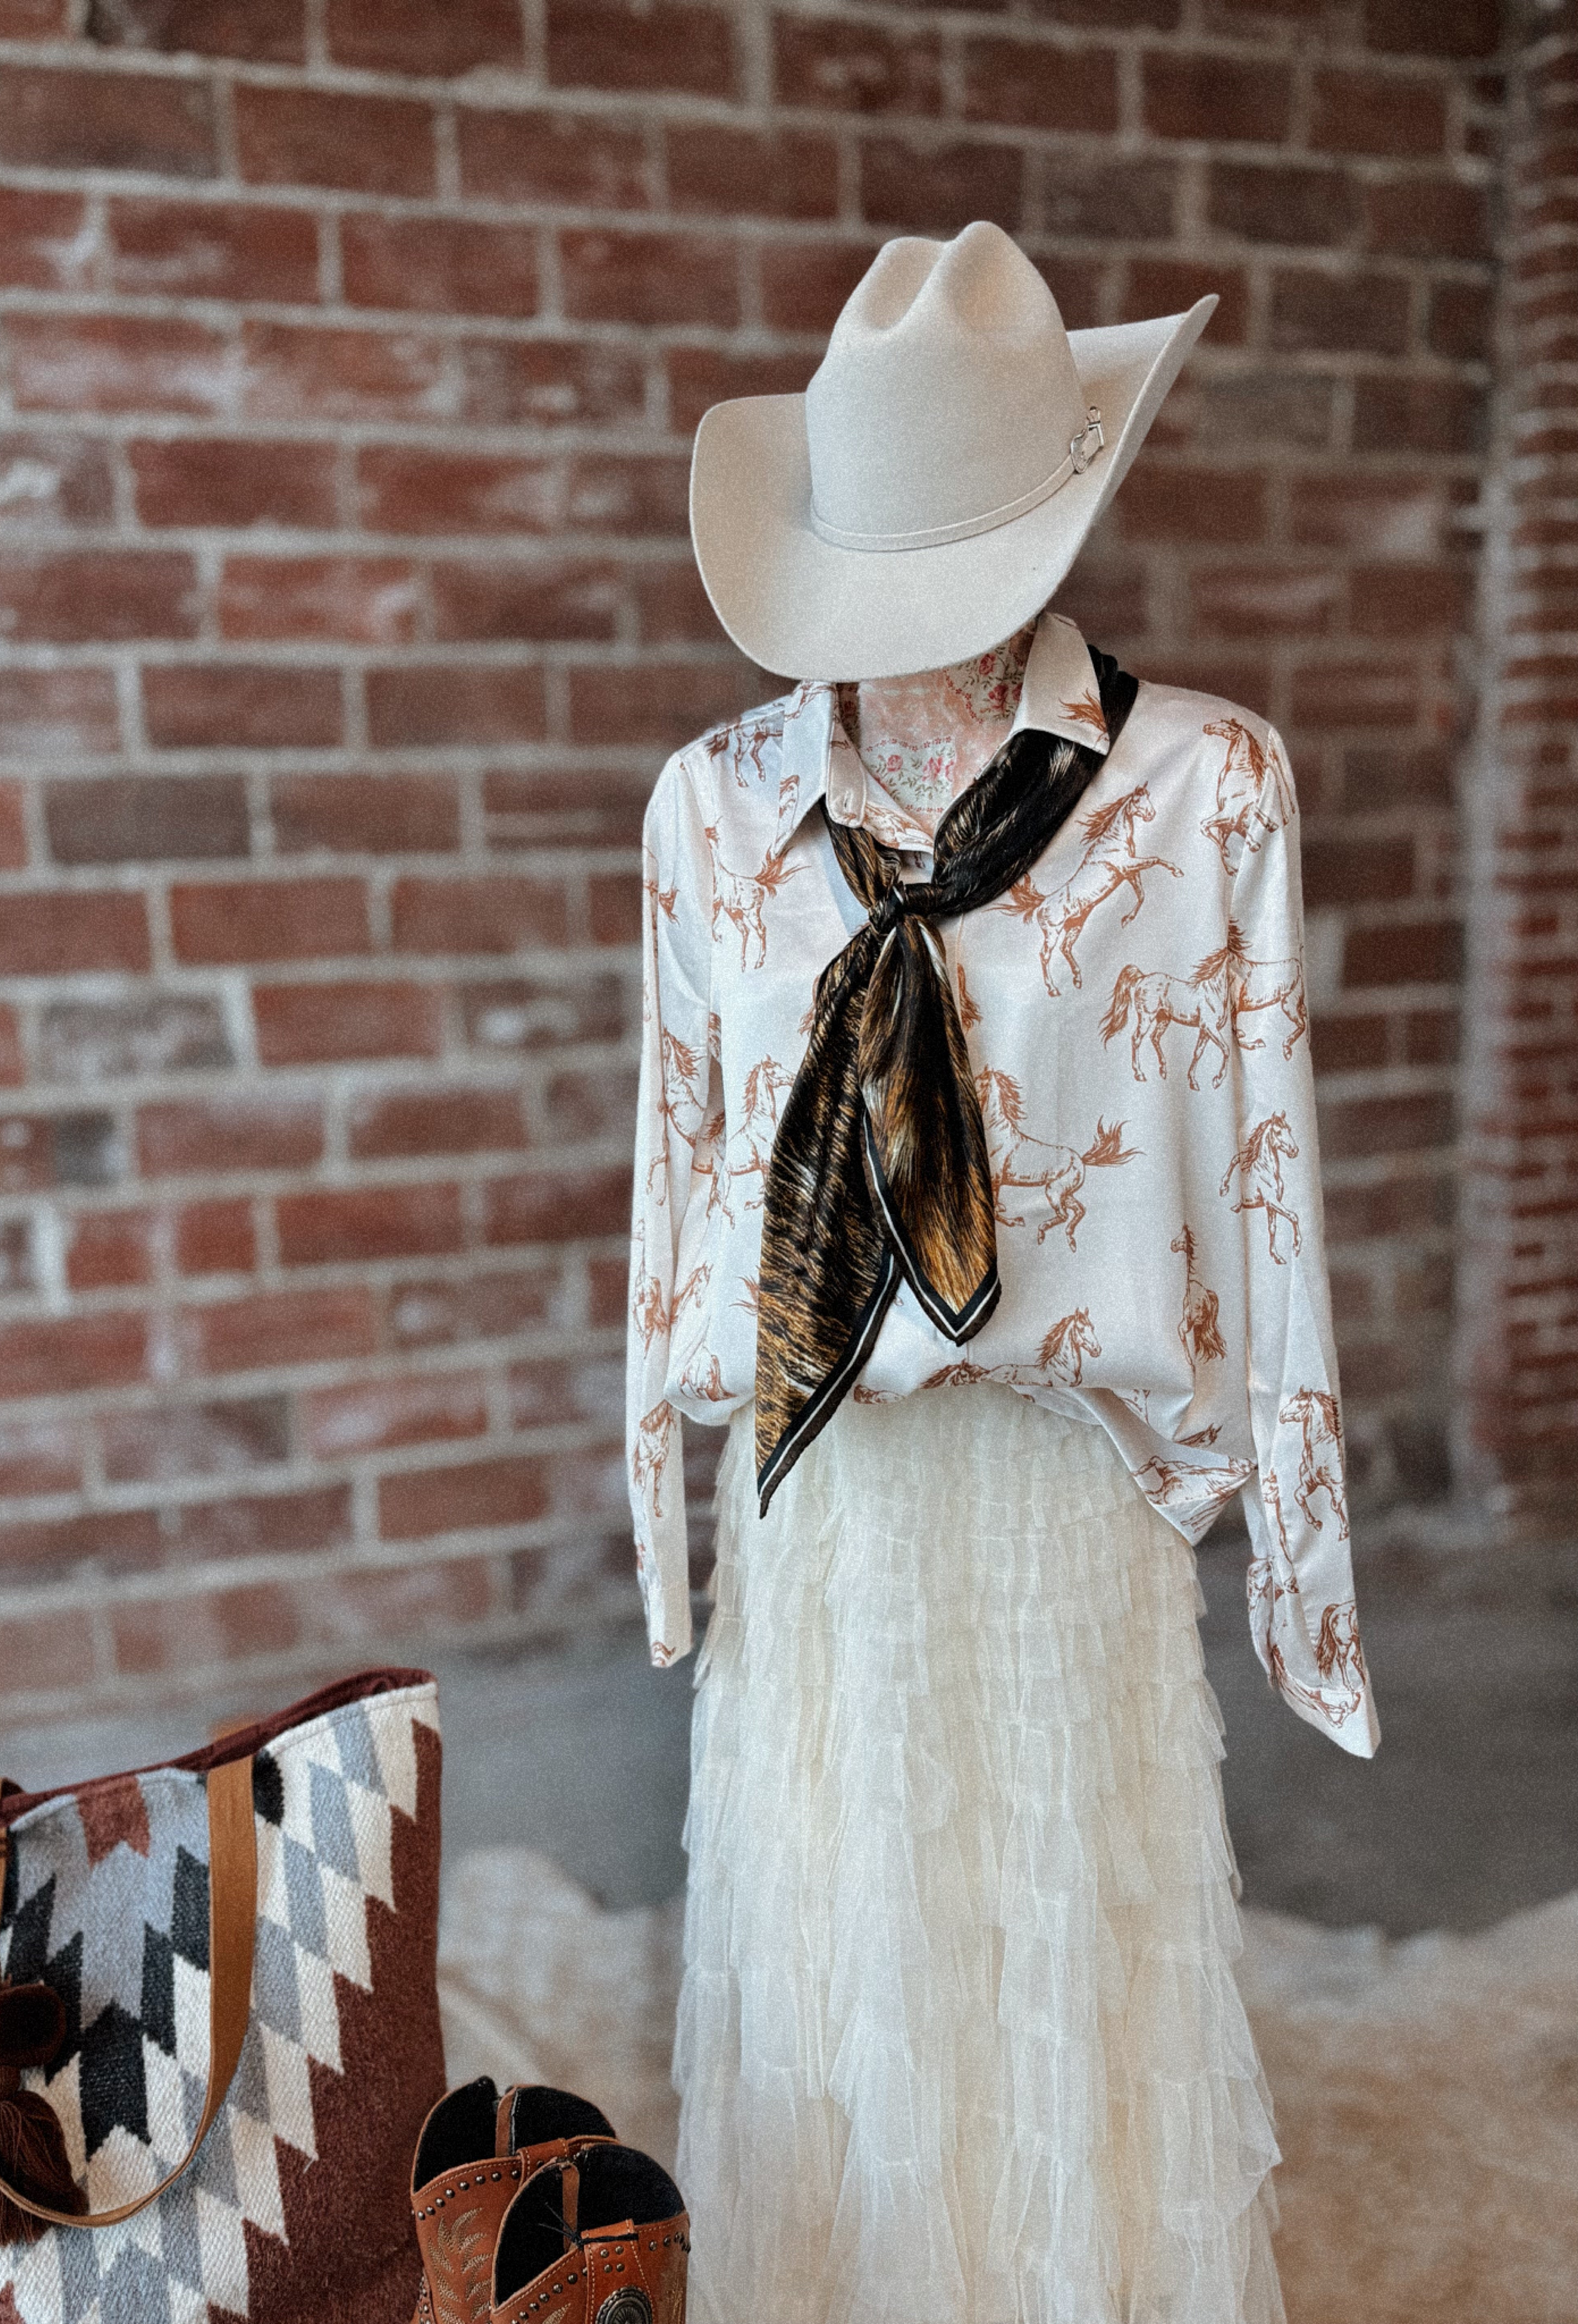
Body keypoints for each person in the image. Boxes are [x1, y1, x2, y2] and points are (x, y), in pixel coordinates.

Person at [626, 221, 1378, 2324]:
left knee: (1064, 1974)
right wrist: (670, 1539)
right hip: (831, 1521)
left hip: (1072, 1510)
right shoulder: (711, 820)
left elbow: (1274, 1187)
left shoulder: (1205, 797)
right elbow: (674, 1188)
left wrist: (1302, 1569)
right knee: (847, 1972)